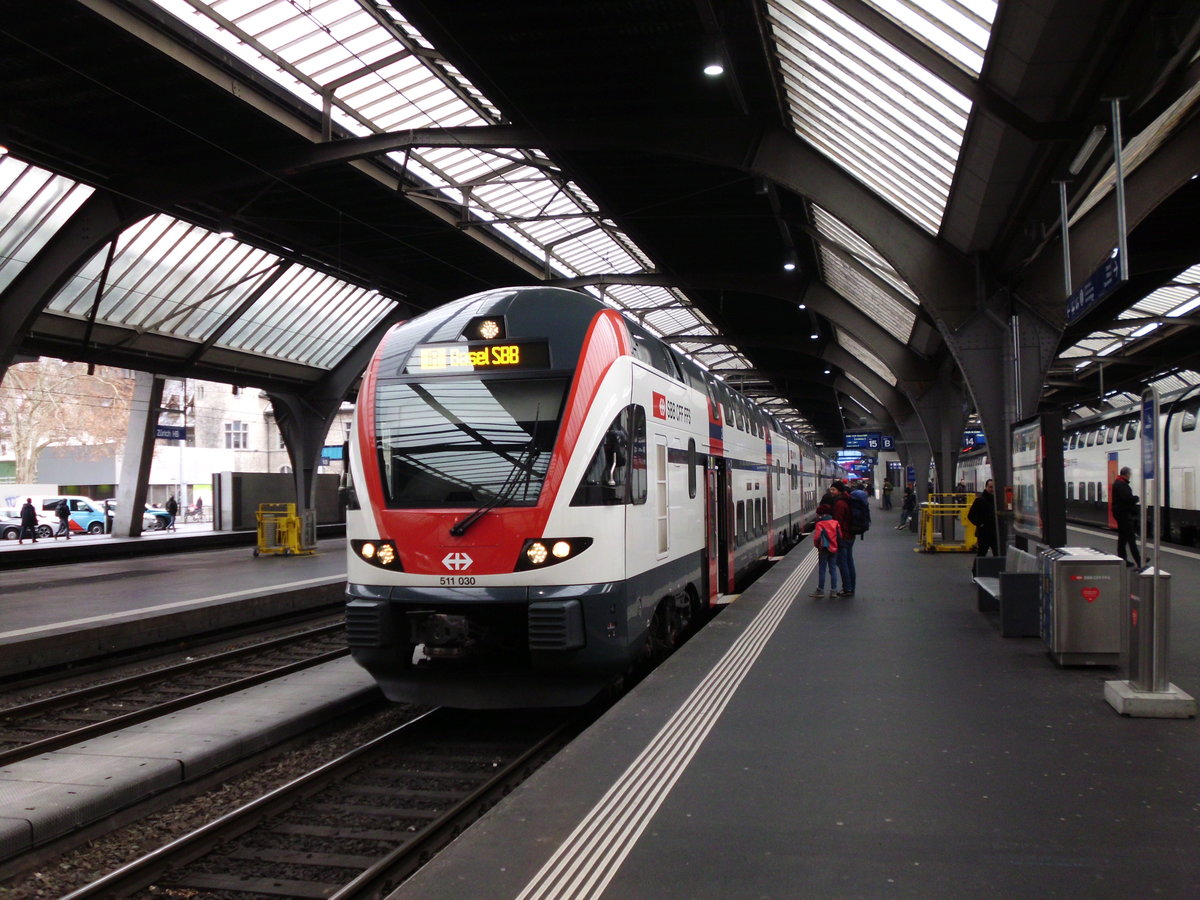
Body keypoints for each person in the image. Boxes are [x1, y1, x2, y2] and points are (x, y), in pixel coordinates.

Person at [809, 504, 841, 598]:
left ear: (821, 514)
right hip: (834, 549)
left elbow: (817, 537)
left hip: (823, 549)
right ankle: (834, 591)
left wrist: (817, 546)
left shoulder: (820, 524)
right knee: (833, 570)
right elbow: (840, 536)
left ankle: (820, 590)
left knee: (822, 570)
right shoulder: (835, 523)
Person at [1112, 466, 1141, 568]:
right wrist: (1136, 498)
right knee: (1131, 538)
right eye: (1130, 474)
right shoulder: (1121, 484)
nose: (1130, 476)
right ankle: (1139, 561)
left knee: (1123, 538)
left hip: (1121, 513)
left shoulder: (1119, 483)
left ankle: (1122, 560)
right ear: (1127, 474)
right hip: (1123, 514)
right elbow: (1127, 499)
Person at [832, 482, 856, 597]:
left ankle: (847, 588)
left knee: (842, 563)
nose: (831, 492)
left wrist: (835, 537)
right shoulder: (848, 500)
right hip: (850, 535)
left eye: (833, 490)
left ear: (839, 491)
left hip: (843, 536)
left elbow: (838, 522)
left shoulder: (839, 503)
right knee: (849, 562)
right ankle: (851, 587)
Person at [967, 479, 998, 557]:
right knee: (981, 553)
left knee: (998, 554)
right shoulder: (980, 500)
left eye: (994, 487)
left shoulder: (997, 500)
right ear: (986, 487)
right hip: (984, 533)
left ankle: (998, 569)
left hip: (995, 533)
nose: (992, 489)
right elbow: (970, 515)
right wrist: (980, 524)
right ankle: (976, 569)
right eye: (990, 487)